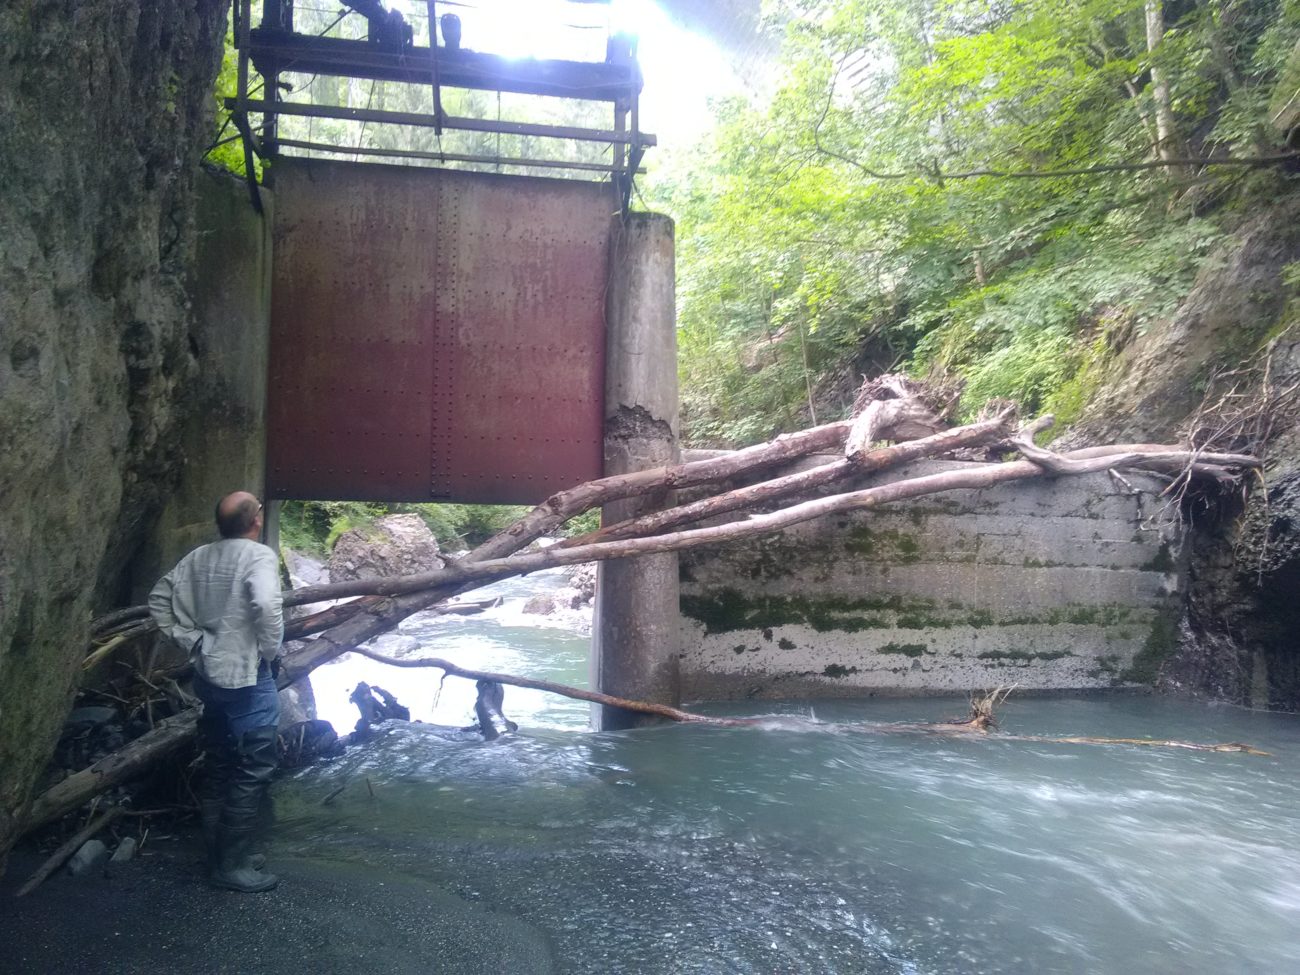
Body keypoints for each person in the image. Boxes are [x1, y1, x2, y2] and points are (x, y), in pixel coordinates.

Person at [149, 491, 284, 893]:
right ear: (255, 521)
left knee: (221, 762)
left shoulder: (198, 557)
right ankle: (232, 864)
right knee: (254, 765)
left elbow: (159, 598)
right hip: (247, 676)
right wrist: (271, 650)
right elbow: (265, 604)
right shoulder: (258, 556)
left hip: (208, 674)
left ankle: (221, 853)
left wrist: (190, 640)